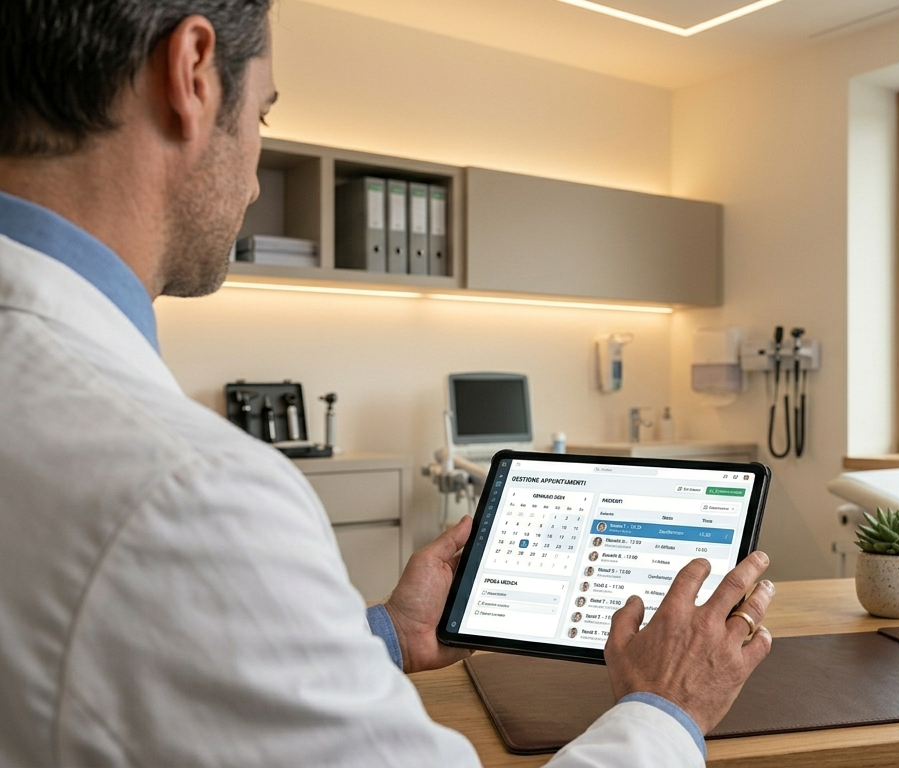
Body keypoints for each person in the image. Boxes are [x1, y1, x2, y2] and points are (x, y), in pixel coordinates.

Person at [0, 3, 775, 766]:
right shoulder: (191, 492)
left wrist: (384, 635)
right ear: (193, 73)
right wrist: (666, 707)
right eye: (263, 117)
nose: (256, 186)